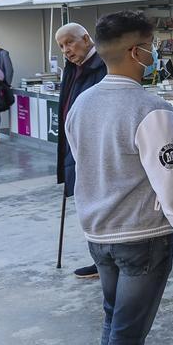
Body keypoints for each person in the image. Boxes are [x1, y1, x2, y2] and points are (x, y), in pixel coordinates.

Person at [66, 10, 173, 345]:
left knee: (114, 321)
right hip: (142, 237)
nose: (155, 54)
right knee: (128, 332)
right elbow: (169, 181)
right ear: (138, 52)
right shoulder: (152, 109)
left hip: (97, 233)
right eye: (152, 47)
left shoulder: (82, 103)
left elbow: (83, 163)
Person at [55, 23, 109, 280]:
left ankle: (104, 261)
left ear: (86, 39)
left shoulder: (103, 66)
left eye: (70, 42)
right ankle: (99, 259)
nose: (66, 50)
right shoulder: (72, 68)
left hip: (96, 149)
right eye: (62, 46)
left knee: (100, 207)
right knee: (85, 205)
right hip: (74, 147)